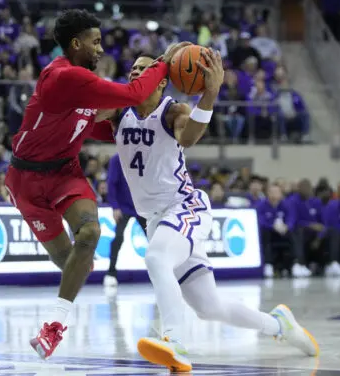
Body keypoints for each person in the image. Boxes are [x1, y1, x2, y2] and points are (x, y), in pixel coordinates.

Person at [103, 50, 319, 373]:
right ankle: (279, 325)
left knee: (156, 258)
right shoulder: (119, 112)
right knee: (209, 307)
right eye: (132, 68)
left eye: (144, 69)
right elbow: (84, 112)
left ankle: (174, 340)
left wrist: (211, 92)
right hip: (157, 220)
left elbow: (189, 137)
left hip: (185, 207)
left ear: (161, 81)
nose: (135, 72)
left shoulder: (172, 111)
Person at [3, 9, 189, 360]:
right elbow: (133, 94)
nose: (102, 49)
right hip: (26, 180)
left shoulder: (82, 85)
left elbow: (112, 127)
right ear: (76, 44)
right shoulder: (64, 77)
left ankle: (54, 327)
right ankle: (69, 290)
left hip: (64, 173)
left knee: (89, 234)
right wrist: (162, 63)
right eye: (96, 41)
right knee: (77, 264)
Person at [104, 153, 146, 287]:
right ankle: (111, 272)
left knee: (155, 239)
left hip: (143, 206)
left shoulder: (146, 155)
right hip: (123, 207)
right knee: (118, 237)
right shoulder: (117, 159)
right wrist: (115, 206)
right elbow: (111, 183)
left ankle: (165, 273)